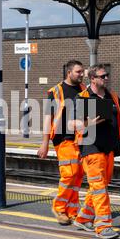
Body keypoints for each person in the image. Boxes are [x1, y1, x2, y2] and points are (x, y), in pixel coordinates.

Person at [68, 64, 120, 239]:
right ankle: (103, 226)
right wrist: (87, 124)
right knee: (99, 187)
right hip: (91, 148)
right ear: (92, 79)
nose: (106, 78)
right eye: (102, 76)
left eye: (107, 75)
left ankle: (83, 218)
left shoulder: (112, 97)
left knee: (100, 187)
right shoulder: (81, 97)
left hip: (109, 148)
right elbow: (71, 124)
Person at [37, 60, 86, 226]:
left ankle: (72, 210)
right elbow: (47, 118)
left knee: (78, 175)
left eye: (82, 72)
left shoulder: (83, 89)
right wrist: (44, 143)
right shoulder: (56, 91)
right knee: (69, 174)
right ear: (69, 72)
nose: (81, 74)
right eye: (78, 72)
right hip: (63, 139)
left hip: (80, 139)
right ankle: (58, 207)